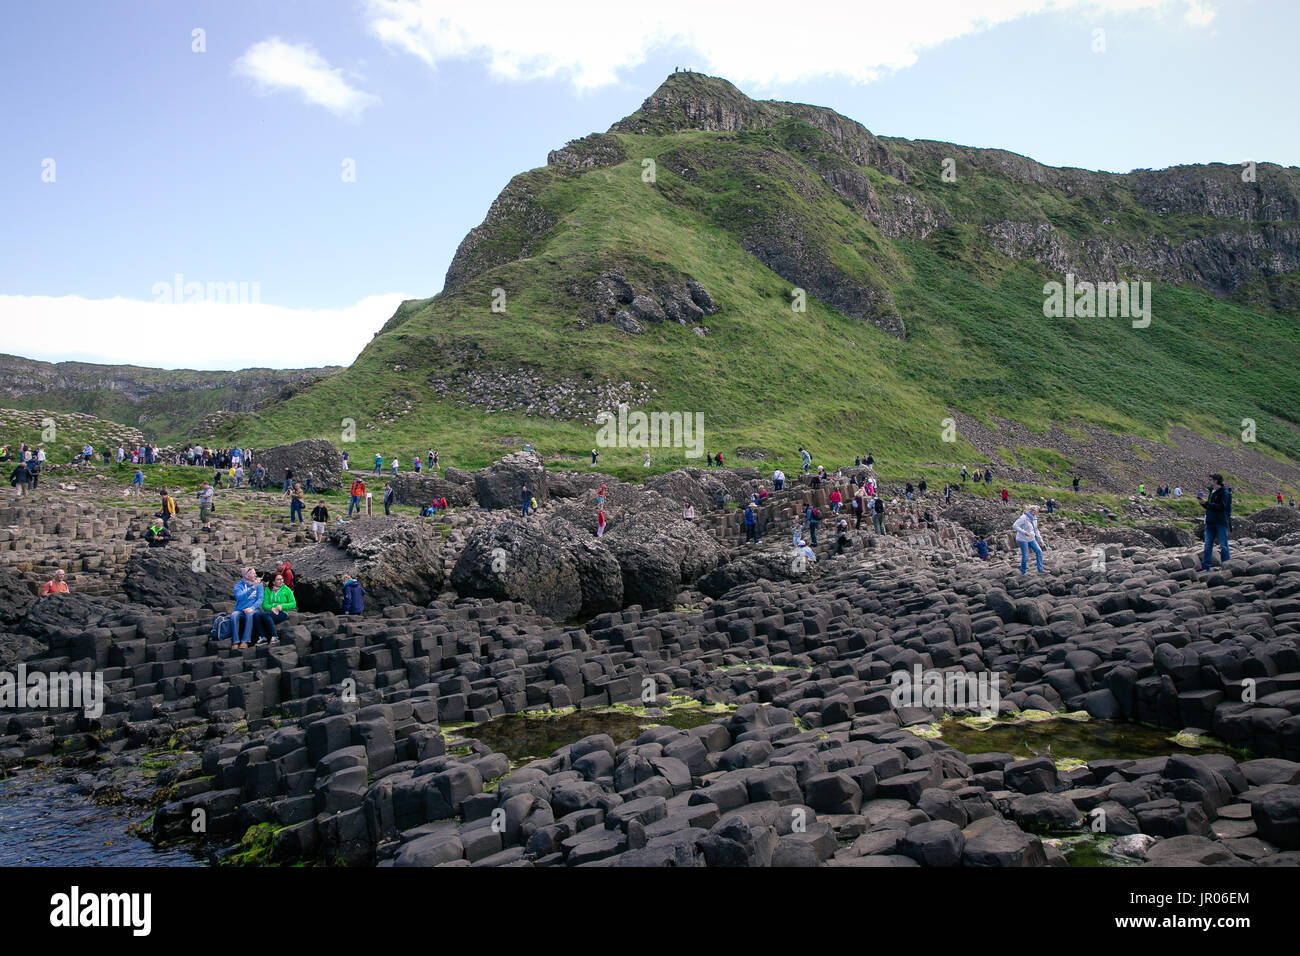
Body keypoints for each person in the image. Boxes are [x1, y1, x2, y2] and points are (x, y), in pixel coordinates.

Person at [1197, 474, 1232, 572]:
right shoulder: (1212, 492)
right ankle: (1205, 566)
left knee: (1223, 545)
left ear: (1216, 481)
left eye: (1210, 480)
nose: (1209, 481)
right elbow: (1211, 507)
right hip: (1210, 521)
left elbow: (1222, 507)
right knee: (1208, 545)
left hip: (1220, 522)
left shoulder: (1225, 493)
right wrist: (1204, 505)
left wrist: (1207, 503)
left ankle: (1226, 565)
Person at [257, 571, 296, 645]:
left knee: (265, 615)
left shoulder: (286, 589)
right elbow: (264, 605)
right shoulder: (268, 590)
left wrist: (282, 606)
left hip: (282, 612)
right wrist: (272, 608)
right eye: (278, 579)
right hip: (271, 611)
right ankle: (262, 637)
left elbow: (293, 604)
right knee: (257, 615)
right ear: (273, 582)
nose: (281, 581)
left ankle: (274, 637)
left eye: (282, 579)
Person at [232, 568, 263, 647]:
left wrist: (252, 608)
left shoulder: (259, 584)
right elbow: (240, 597)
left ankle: (245, 641)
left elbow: (260, 599)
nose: (255, 575)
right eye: (253, 573)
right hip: (240, 609)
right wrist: (253, 588)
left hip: (254, 609)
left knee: (249, 615)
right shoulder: (238, 586)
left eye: (255, 573)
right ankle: (235, 641)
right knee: (234, 615)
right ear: (246, 575)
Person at [1013, 505, 1045, 575]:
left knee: (1039, 551)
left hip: (1031, 538)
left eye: (1037, 511)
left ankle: (1040, 569)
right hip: (1022, 539)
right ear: (1031, 510)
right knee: (1025, 555)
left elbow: (1036, 530)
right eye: (1035, 511)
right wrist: (1024, 532)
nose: (1036, 512)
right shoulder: (1023, 517)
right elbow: (1015, 526)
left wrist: (1040, 541)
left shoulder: (1034, 519)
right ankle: (1023, 572)